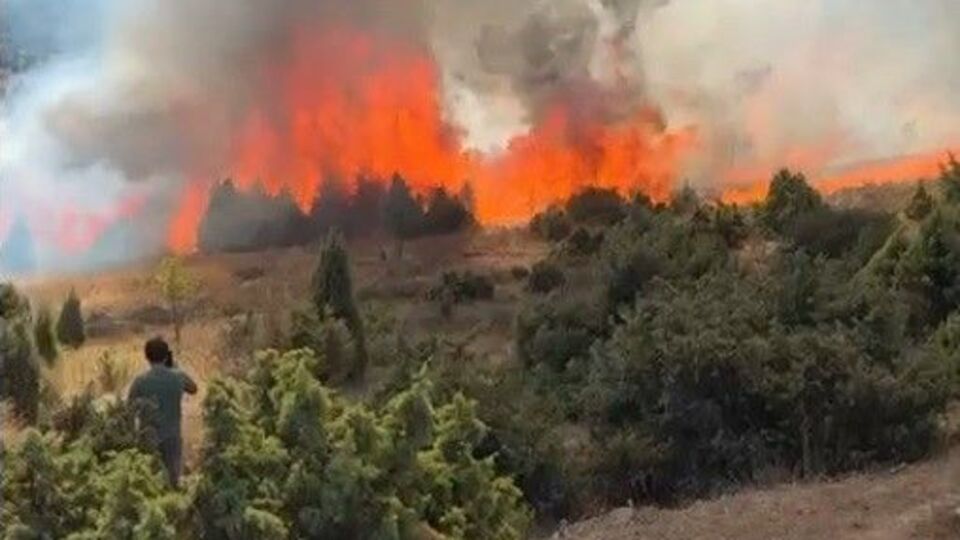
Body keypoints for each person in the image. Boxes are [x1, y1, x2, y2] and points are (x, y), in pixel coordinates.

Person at [128, 336, 197, 487]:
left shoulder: (140, 381)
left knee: (149, 484)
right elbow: (193, 388)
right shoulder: (178, 377)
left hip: (148, 437)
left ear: (147, 356)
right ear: (166, 356)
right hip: (172, 437)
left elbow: (129, 410)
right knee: (173, 482)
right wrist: (174, 367)